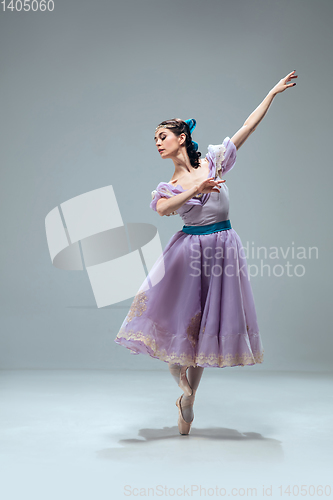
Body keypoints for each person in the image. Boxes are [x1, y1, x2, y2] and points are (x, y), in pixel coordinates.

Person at [114, 70, 298, 435]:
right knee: (181, 328)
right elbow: (165, 210)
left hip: (223, 247)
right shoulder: (169, 186)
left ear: (182, 138)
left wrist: (272, 93)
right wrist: (199, 189)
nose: (157, 142)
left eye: (162, 136)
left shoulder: (212, 159)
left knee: (204, 333)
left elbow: (247, 127)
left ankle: (188, 402)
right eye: (154, 139)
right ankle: (181, 386)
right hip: (189, 252)